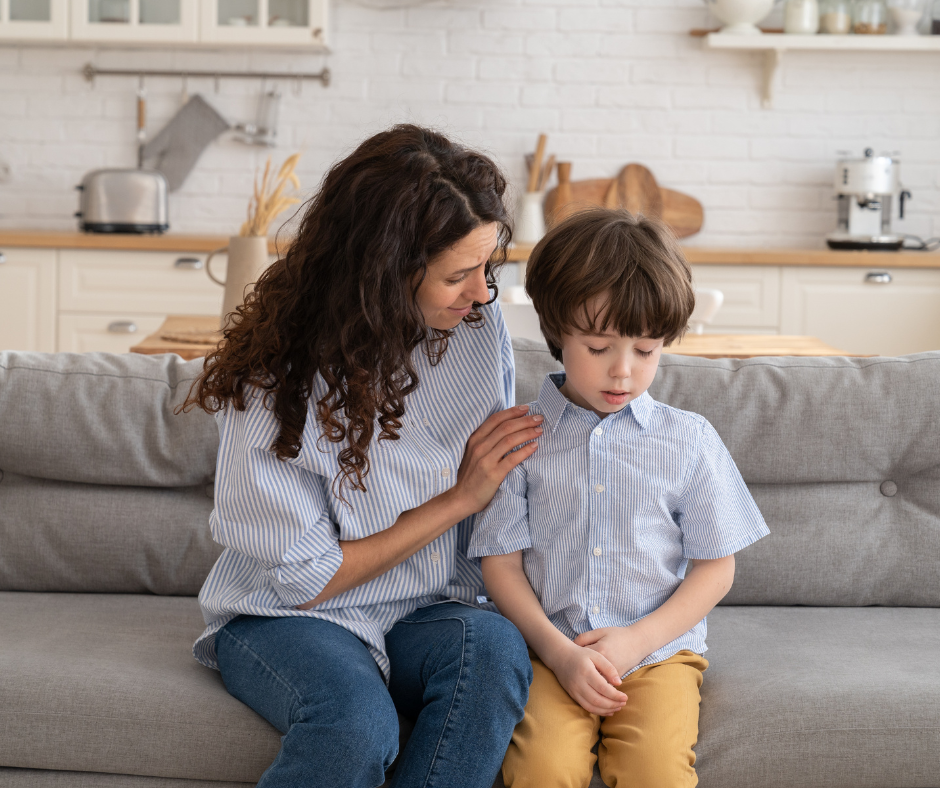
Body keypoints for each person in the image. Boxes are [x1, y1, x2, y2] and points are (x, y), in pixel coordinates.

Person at [183, 125, 541, 788]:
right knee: (354, 728)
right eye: (457, 276)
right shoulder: (276, 378)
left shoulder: (474, 328)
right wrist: (459, 500)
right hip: (289, 617)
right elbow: (304, 579)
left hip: (431, 609)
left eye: (487, 269)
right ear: (381, 272)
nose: (483, 297)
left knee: (493, 651)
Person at [468, 208, 770, 788]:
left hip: (657, 654)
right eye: (600, 346)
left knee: (655, 774)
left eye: (647, 350)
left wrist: (637, 639)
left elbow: (717, 568)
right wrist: (558, 654)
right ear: (556, 332)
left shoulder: (688, 439)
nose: (623, 372)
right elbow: (500, 566)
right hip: (550, 651)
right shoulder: (520, 437)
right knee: (541, 770)